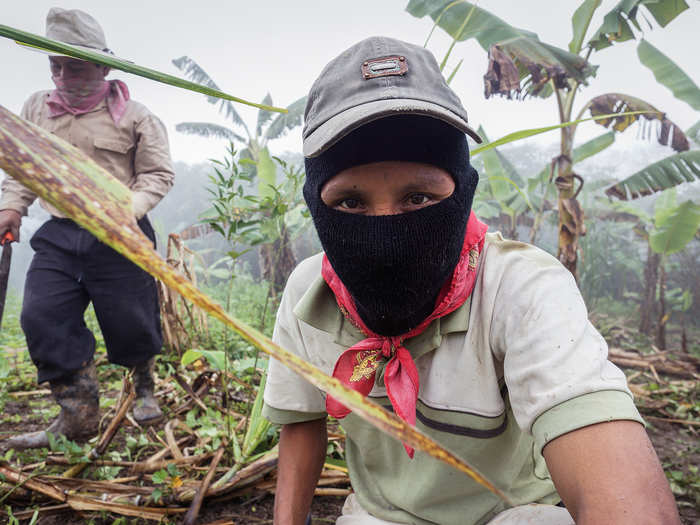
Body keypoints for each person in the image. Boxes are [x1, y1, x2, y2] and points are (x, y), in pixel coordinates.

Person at [262, 37, 680, 524]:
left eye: (418, 198)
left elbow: (623, 497)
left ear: (463, 193)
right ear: (317, 205)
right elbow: (302, 426)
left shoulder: (521, 287)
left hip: (513, 514)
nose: (386, 238)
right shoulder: (306, 295)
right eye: (350, 202)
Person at [0, 8, 174, 449]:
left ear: (103, 66)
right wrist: (11, 208)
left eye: (72, 66)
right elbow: (22, 168)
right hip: (59, 235)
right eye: (54, 65)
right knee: (41, 315)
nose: (61, 76)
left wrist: (128, 208)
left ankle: (144, 386)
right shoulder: (36, 109)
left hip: (121, 233)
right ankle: (77, 413)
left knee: (132, 319)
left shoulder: (135, 116)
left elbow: (156, 175)